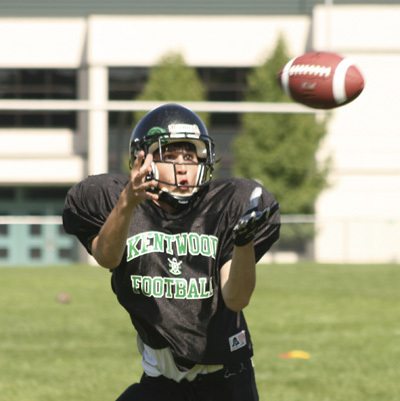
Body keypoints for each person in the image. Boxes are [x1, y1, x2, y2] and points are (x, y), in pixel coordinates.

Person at [62, 103, 280, 401]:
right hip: (160, 381)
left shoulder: (226, 206)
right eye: (170, 155)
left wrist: (243, 243)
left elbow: (236, 298)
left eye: (190, 156)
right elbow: (107, 257)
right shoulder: (113, 199)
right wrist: (127, 204)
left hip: (225, 382)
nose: (182, 166)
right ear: (143, 158)